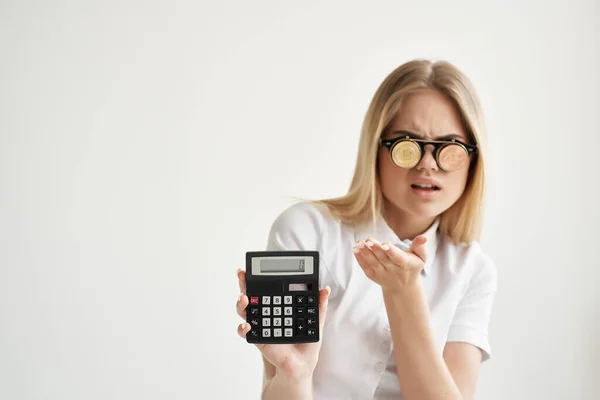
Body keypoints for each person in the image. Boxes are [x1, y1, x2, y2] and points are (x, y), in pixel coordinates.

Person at [235, 59, 498, 400]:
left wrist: (404, 293)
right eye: (408, 144)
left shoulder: (473, 270)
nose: (427, 163)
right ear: (376, 148)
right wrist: (293, 374)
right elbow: (285, 377)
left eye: (450, 147)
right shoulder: (305, 231)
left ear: (472, 161)